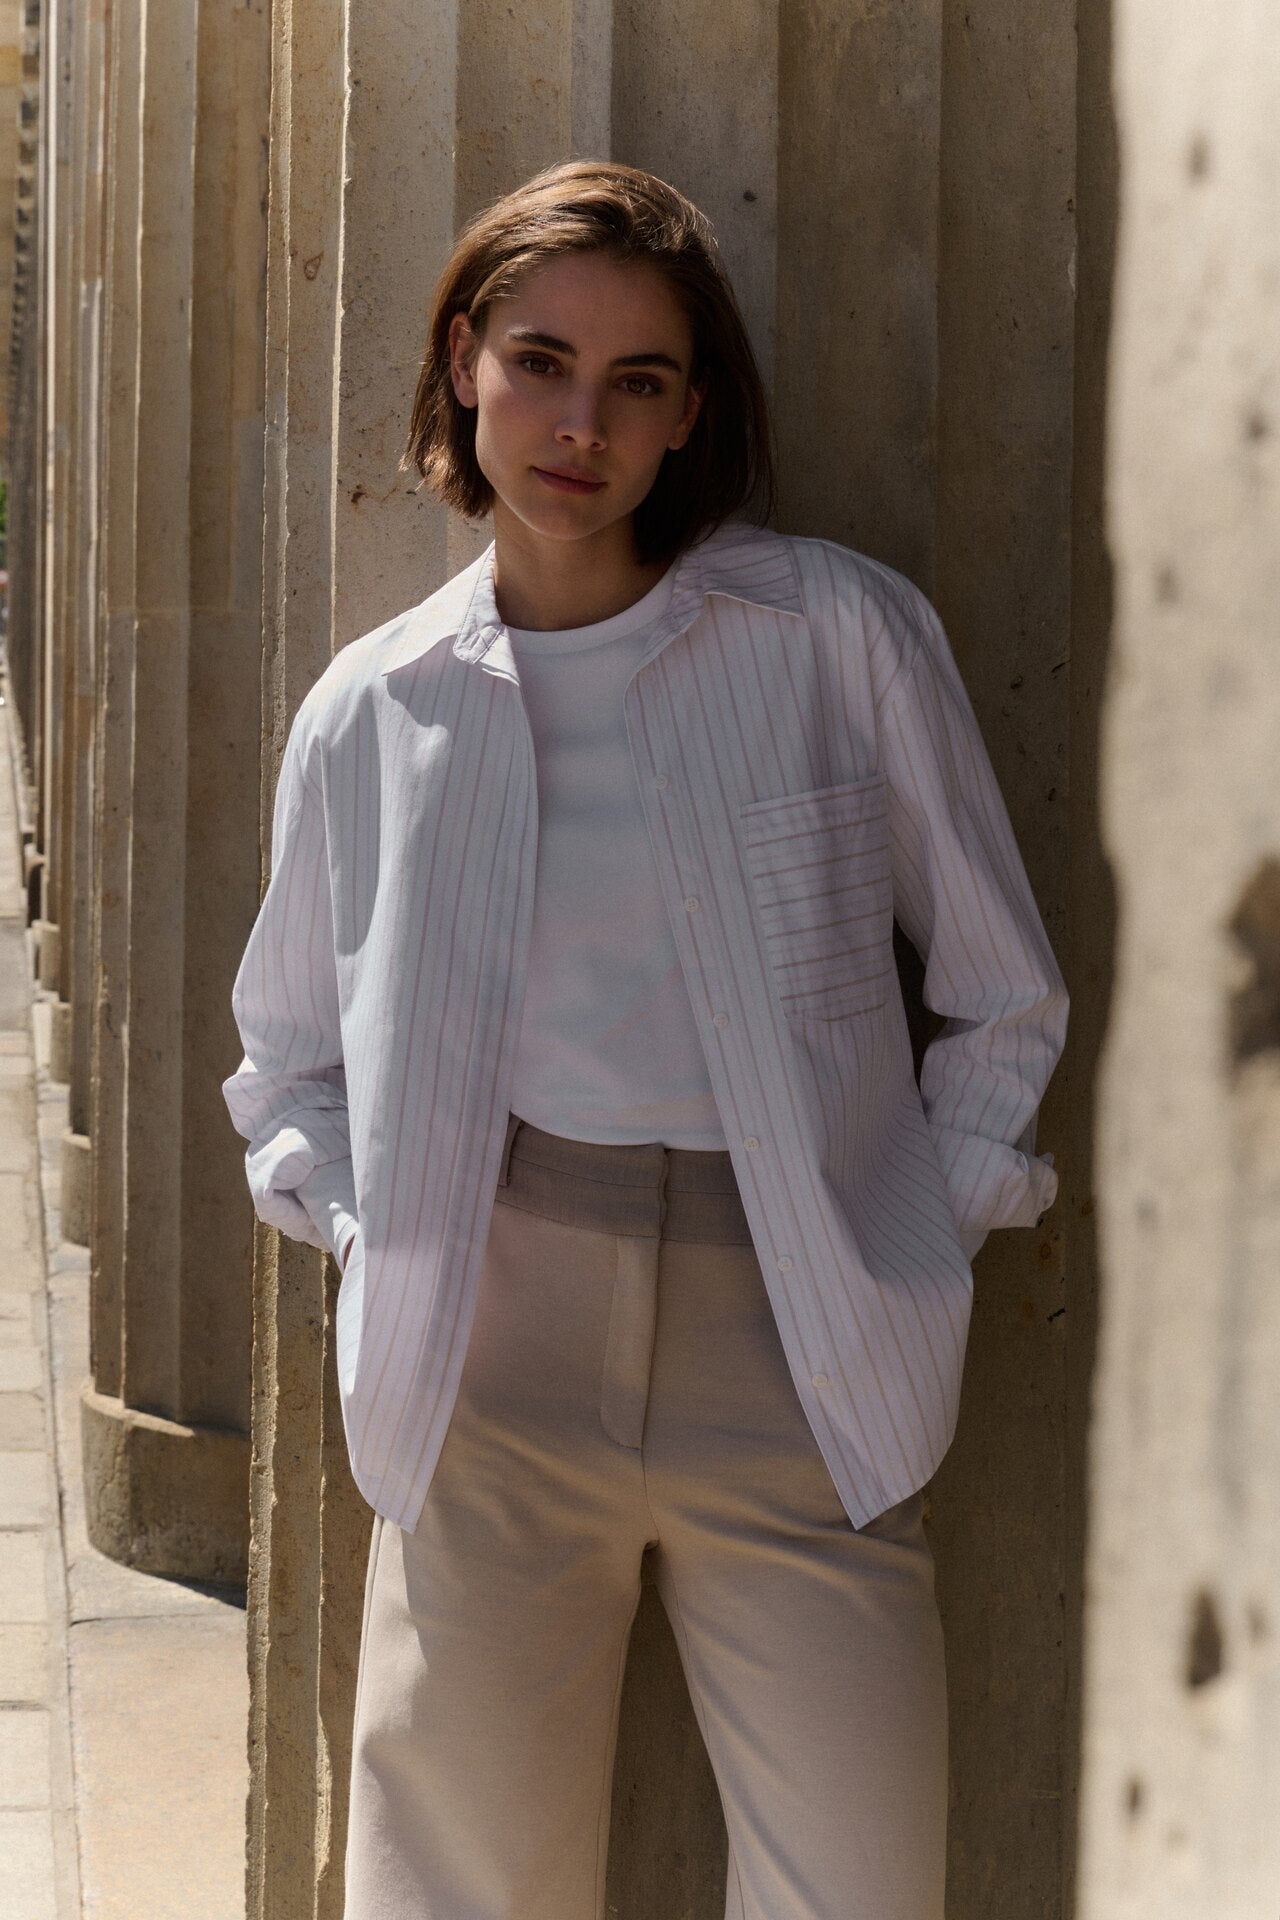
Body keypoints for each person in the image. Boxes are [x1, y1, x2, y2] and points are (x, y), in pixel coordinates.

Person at [223, 159, 1067, 1920]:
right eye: (539, 360)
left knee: (856, 1885)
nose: (577, 424)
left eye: (638, 382)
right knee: (455, 1883)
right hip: (491, 1348)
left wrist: (923, 1227)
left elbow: (1003, 987)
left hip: (802, 1334)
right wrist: (381, 1245)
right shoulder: (375, 711)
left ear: (694, 415)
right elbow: (288, 1056)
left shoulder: (836, 636)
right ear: (465, 359)